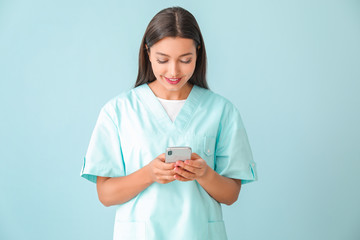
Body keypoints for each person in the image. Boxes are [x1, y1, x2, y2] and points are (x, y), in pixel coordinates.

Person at [80, 6, 258, 240]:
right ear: (147, 52)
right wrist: (149, 174)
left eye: (185, 60)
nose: (173, 71)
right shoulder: (119, 111)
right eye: (162, 60)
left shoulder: (221, 111)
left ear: (198, 53)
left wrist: (204, 173)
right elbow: (105, 194)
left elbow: (231, 194)